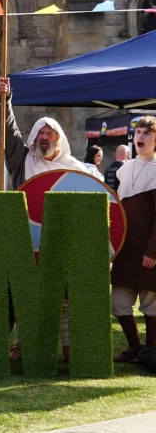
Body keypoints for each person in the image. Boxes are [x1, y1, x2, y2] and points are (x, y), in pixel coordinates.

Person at [0, 77, 88, 362]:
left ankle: (70, 347)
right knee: (26, 293)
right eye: (41, 133)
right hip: (27, 238)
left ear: (58, 138)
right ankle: (21, 345)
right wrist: (4, 101)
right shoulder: (23, 159)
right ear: (34, 138)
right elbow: (8, 132)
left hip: (62, 242)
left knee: (62, 297)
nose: (45, 138)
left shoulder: (74, 168)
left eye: (50, 133)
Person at [111, 115, 156, 362]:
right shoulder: (124, 170)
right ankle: (133, 347)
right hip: (125, 250)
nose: (141, 136)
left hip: (148, 251)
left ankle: (150, 349)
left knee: (151, 304)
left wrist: (153, 251)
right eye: (138, 132)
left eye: (147, 133)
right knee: (118, 301)